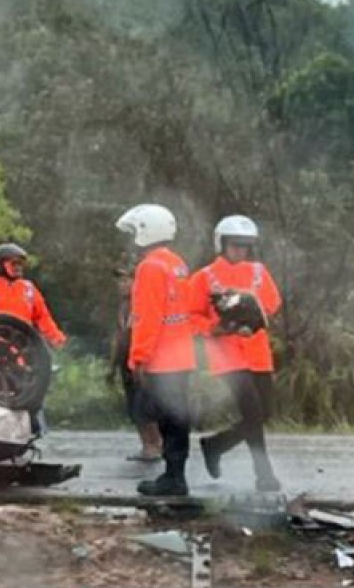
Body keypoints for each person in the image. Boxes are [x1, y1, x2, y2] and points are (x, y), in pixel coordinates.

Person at [190, 215, 283, 492]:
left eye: (245, 246)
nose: (240, 251)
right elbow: (191, 316)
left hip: (257, 352)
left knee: (264, 412)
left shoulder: (258, 272)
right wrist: (214, 328)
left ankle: (215, 444)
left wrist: (251, 314)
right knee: (252, 410)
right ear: (222, 244)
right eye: (235, 245)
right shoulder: (204, 278)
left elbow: (272, 303)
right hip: (227, 356)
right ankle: (263, 473)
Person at [115, 203, 196, 496]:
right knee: (176, 417)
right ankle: (175, 474)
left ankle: (174, 478)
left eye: (134, 231)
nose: (131, 238)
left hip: (161, 359)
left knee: (164, 417)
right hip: (181, 355)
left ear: (146, 232)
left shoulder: (149, 267)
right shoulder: (177, 264)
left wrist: (138, 357)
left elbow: (147, 317)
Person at [107, 264, 162, 462]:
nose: (122, 285)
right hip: (125, 359)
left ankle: (155, 444)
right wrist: (111, 366)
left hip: (140, 359)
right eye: (120, 281)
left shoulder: (143, 303)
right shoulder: (123, 306)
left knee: (144, 404)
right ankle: (146, 445)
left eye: (126, 280)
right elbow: (118, 336)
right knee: (132, 405)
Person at [0, 243, 68, 348]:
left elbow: (43, 318)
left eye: (20, 264)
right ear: (0, 265)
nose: (18, 267)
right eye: (14, 263)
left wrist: (57, 338)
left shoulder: (29, 289)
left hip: (23, 347)